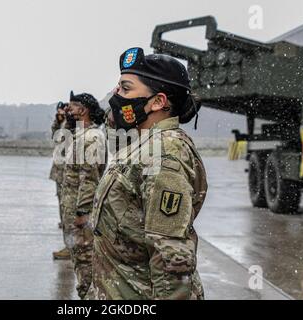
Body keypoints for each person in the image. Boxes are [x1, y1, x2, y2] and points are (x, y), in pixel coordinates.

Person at [87, 47, 208, 300]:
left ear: (158, 102)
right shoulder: (140, 143)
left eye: (126, 89)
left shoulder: (164, 153)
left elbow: (171, 258)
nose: (116, 96)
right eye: (117, 88)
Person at [61, 91, 105, 299]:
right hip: (72, 211)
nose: (69, 110)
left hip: (80, 215)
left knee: (86, 261)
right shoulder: (80, 135)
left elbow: (89, 179)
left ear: (84, 110)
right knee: (79, 259)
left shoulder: (91, 138)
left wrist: (82, 212)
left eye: (73, 106)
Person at [50, 101, 72, 260]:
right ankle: (67, 240)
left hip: (68, 171)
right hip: (60, 169)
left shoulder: (72, 123)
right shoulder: (62, 123)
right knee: (62, 203)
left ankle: (70, 246)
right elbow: (54, 135)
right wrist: (57, 121)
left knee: (69, 208)